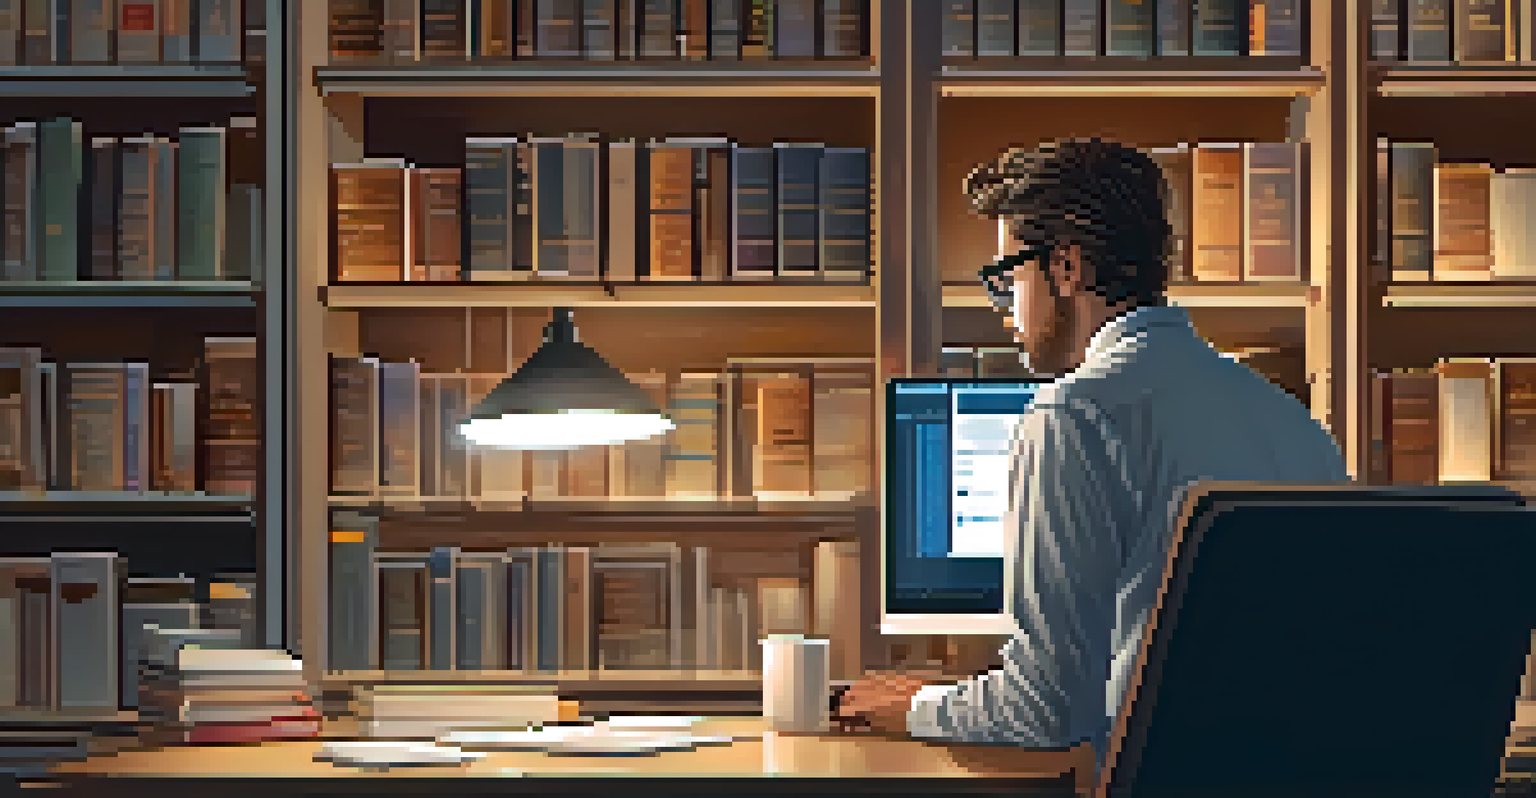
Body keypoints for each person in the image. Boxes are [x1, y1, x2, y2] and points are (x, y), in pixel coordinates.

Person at [832, 138, 1348, 758]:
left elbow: (1048, 709)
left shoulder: (1070, 416)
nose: (1006, 311)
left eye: (1008, 278)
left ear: (1067, 269)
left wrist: (914, 706)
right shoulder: (1295, 425)